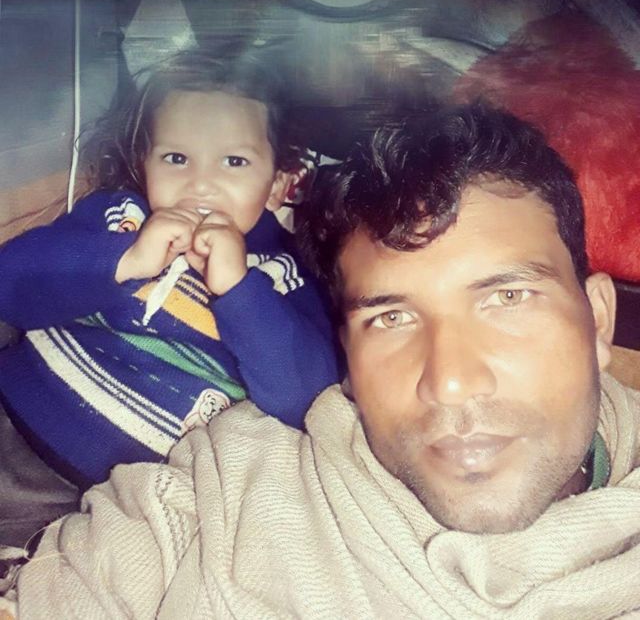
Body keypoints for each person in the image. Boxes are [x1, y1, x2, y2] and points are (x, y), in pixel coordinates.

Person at [6, 102, 640, 619]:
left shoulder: (277, 280)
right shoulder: (228, 477)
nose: (450, 381)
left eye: (507, 297)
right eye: (391, 318)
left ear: (598, 320)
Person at [0, 48, 339, 550]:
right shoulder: (121, 216)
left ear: (278, 184)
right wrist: (125, 259)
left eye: (234, 161)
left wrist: (239, 289)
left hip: (122, 503)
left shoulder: (285, 276)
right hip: (16, 414)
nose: (200, 183)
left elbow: (307, 398)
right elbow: (10, 283)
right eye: (176, 158)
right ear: (145, 164)